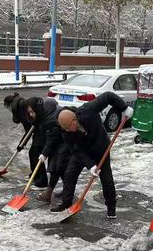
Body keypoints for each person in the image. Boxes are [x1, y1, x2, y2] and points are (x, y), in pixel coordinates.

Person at [51, 91, 133, 219]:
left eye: (68, 127)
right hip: (83, 152)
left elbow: (107, 96)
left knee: (106, 179)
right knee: (70, 174)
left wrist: (124, 108)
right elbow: (76, 150)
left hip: (101, 149)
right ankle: (66, 204)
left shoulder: (88, 110)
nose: (67, 131)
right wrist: (91, 166)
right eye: (64, 129)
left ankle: (111, 209)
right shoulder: (66, 132)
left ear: (74, 120)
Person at [24, 96, 71, 203]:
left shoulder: (50, 119)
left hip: (66, 140)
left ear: (37, 109)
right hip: (59, 139)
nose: (31, 115)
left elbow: (51, 139)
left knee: (56, 166)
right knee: (57, 167)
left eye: (32, 112)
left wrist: (44, 153)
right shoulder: (44, 107)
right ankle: (65, 190)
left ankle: (54, 194)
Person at [4, 93, 48, 189]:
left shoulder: (21, 108)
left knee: (36, 154)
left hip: (42, 131)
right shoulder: (19, 106)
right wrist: (21, 144)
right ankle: (35, 175)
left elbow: (29, 130)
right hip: (38, 131)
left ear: (11, 105)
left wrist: (21, 144)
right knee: (32, 152)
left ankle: (42, 182)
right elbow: (29, 130)